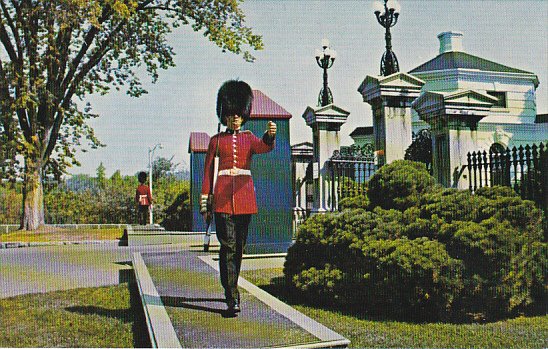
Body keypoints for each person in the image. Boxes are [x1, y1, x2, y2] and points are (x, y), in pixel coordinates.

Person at [200, 79, 277, 314]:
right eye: (231, 114)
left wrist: (270, 135)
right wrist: (206, 201)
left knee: (239, 247)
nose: (235, 118)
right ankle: (231, 294)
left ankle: (231, 288)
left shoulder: (249, 138)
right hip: (223, 201)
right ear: (224, 114)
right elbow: (208, 173)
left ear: (244, 115)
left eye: (238, 114)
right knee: (228, 247)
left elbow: (264, 147)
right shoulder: (216, 141)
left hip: (244, 199)